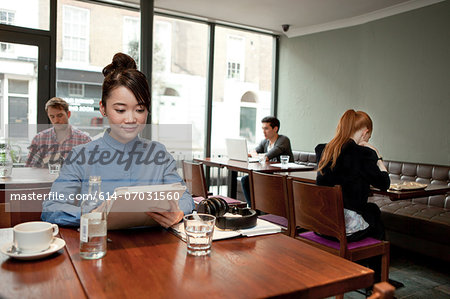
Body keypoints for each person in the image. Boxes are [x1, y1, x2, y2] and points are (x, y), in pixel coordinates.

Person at [41, 53, 195, 227]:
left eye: (139, 109)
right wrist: (90, 214)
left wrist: (178, 212)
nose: (130, 119)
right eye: (120, 110)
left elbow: (185, 198)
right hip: (100, 246)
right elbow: (50, 209)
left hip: (155, 247)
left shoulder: (159, 153)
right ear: (103, 108)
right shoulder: (80, 156)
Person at [315, 109, 390, 242]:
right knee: (374, 216)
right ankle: (370, 261)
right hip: (344, 227)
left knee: (371, 212)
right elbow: (384, 184)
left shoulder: (325, 151)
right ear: (365, 132)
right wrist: (378, 157)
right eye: (369, 137)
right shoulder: (362, 153)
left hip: (321, 223)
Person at [241, 116, 294, 207]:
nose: (263, 131)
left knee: (250, 179)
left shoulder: (283, 140)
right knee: (245, 180)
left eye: (266, 128)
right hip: (269, 174)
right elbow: (252, 152)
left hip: (282, 176)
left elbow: (267, 157)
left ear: (275, 129)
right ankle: (252, 208)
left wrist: (257, 155)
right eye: (262, 128)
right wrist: (253, 154)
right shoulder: (265, 142)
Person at [25, 97, 91, 168]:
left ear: (68, 114)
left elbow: (92, 169)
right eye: (52, 117)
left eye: (60, 115)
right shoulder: (39, 139)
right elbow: (29, 168)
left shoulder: (84, 140)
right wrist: (47, 161)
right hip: (46, 179)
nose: (56, 120)